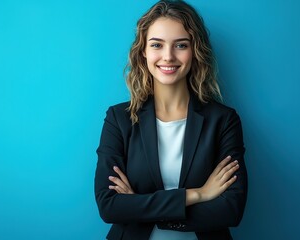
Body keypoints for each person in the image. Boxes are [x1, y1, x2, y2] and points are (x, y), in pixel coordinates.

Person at [94, 0, 248, 239]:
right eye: (157, 44)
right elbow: (109, 206)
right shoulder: (118, 119)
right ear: (143, 51)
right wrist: (198, 194)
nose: (168, 56)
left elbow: (231, 210)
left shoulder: (223, 120)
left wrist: (138, 205)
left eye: (181, 45)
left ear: (195, 51)